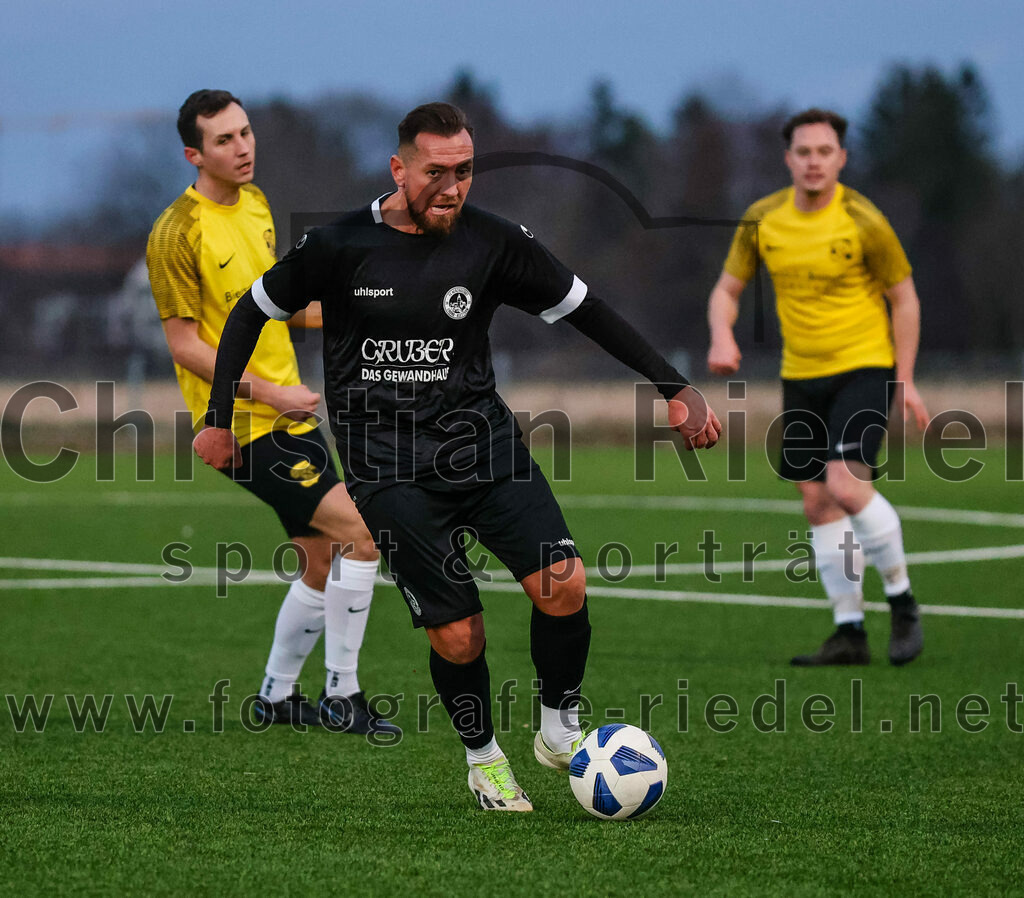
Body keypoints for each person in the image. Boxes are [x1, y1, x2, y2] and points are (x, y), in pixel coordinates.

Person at [194, 101, 721, 811]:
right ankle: (484, 760)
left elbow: (586, 308)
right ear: (399, 168)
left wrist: (674, 385)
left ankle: (559, 730)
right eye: (436, 172)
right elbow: (249, 311)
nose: (452, 186)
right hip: (387, 469)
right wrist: (219, 419)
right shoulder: (339, 244)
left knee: (564, 584)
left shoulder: (493, 243)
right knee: (459, 633)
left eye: (465, 171)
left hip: (485, 447)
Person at [146, 89, 399, 735]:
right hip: (243, 424)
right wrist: (269, 393)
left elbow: (274, 307)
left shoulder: (256, 206)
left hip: (293, 416)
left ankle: (278, 697)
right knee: (364, 536)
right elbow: (185, 345)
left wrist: (352, 313)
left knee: (322, 558)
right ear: (193, 154)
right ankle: (344, 695)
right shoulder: (178, 231)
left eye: (246, 132)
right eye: (225, 139)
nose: (243, 146)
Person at [706, 107, 930, 666]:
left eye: (824, 152)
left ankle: (902, 603)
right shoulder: (764, 218)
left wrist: (904, 379)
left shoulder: (864, 219)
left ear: (841, 159)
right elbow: (726, 289)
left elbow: (904, 298)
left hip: (864, 365)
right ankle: (849, 632)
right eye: (803, 152)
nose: (813, 161)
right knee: (817, 502)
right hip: (801, 374)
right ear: (788, 159)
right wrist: (721, 336)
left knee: (847, 487)